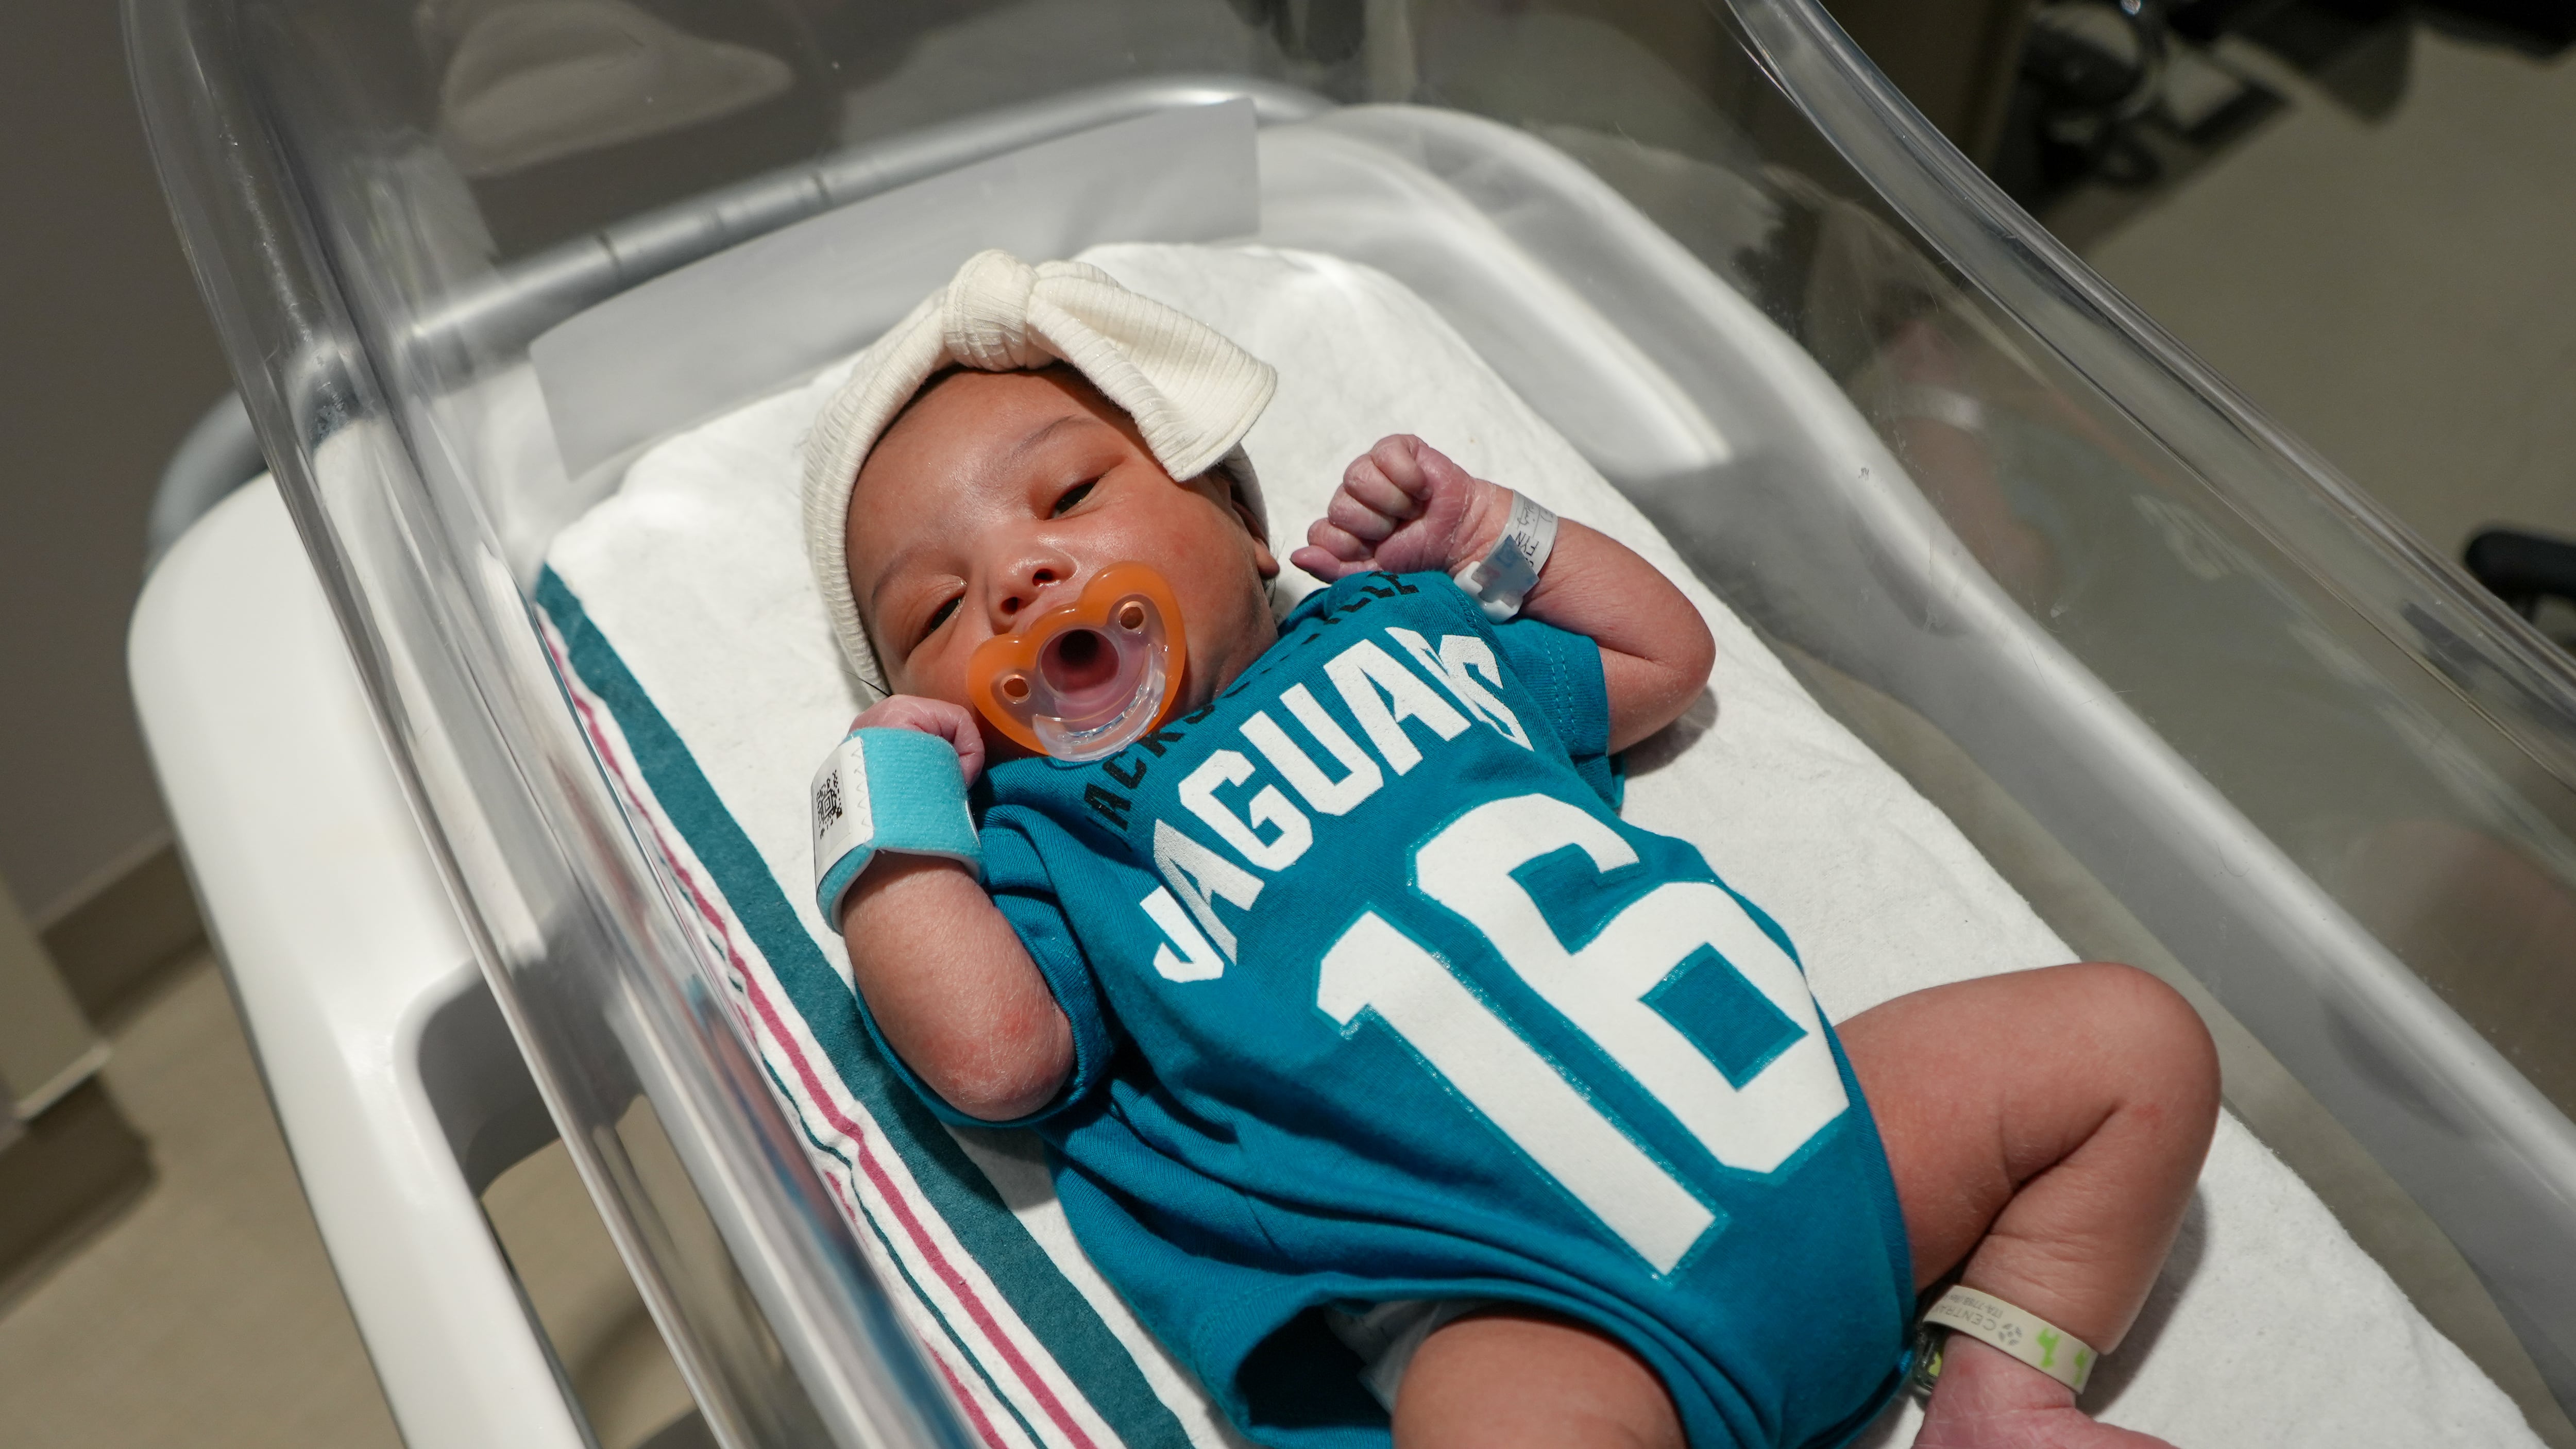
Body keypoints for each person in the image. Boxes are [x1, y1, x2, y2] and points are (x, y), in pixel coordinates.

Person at [802, 251, 2218, 1449]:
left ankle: (1998, 1394)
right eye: (937, 611)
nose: (1018, 578)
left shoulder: (1405, 629)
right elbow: (991, 1057)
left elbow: (1665, 657)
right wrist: (893, 811)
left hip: (1818, 1140)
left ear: (1240, 519)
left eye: (1066, 500)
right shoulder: (1059, 841)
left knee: (2133, 1046)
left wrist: (1491, 534)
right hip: (1545, 1320)